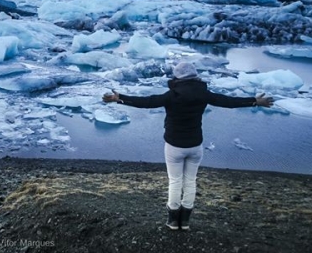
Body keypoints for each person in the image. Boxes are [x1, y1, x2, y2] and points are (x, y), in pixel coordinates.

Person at [102, 61, 273, 231]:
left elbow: (148, 102)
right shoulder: (203, 93)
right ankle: (184, 222)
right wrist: (254, 101)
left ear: (178, 76)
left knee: (175, 181)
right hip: (195, 145)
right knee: (190, 181)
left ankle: (172, 221)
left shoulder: (172, 95)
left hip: (174, 146)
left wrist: (120, 99)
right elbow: (227, 101)